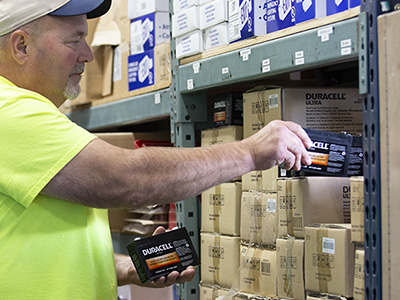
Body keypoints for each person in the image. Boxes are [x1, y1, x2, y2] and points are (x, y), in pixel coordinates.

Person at [0, 0, 312, 299]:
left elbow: (32, 241)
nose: (87, 55)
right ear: (21, 46)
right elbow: (123, 179)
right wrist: (250, 153)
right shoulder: (8, 111)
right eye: (74, 41)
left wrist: (127, 267)